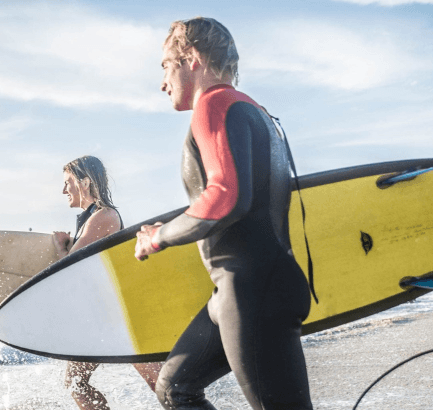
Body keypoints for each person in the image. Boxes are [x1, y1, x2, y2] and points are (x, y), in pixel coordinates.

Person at [134, 18, 313, 409]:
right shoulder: (254, 111)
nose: (163, 82)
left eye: (166, 65)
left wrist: (157, 237)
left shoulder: (214, 103)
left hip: (253, 293)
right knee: (175, 388)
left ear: (192, 59)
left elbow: (225, 198)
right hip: (240, 291)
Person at [52, 155, 163, 410]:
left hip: (122, 318)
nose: (63, 190)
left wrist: (61, 249)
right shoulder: (90, 219)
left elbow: (68, 270)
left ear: (85, 183)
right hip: (101, 318)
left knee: (163, 385)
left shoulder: (104, 216)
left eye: (67, 182)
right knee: (76, 383)